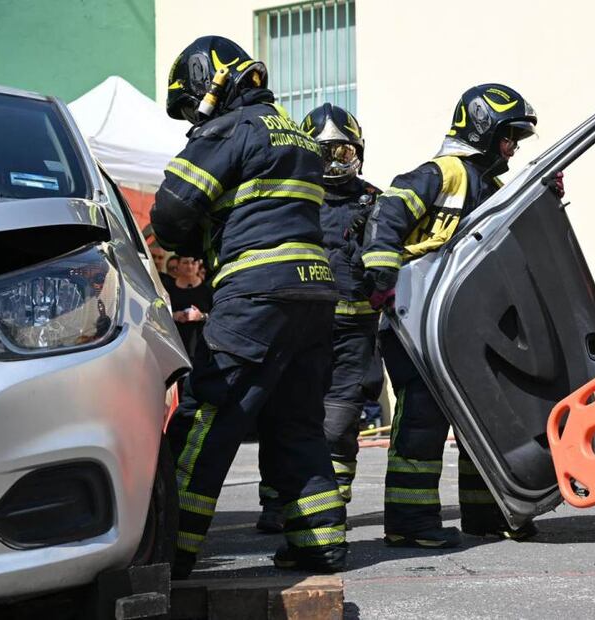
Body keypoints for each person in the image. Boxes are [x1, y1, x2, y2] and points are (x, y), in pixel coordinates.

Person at [151, 35, 346, 577]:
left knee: (205, 413)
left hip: (256, 294)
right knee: (297, 422)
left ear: (209, 84)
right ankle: (320, 544)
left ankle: (169, 550)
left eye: (190, 102)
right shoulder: (300, 136)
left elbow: (170, 211)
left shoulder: (230, 129)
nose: (192, 114)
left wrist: (190, 244)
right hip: (314, 295)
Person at [360, 84, 562, 548]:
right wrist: (382, 272)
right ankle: (410, 523)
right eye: (509, 136)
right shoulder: (443, 173)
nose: (512, 147)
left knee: (482, 417)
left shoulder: (489, 187)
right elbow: (389, 213)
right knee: (422, 420)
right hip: (415, 323)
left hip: (458, 326)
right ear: (485, 129)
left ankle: (486, 515)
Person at [254, 103, 382, 533]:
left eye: (342, 153)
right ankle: (276, 502)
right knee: (284, 414)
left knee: (340, 422)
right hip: (297, 325)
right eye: (323, 153)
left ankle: (332, 503)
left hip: (353, 330)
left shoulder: (375, 201)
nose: (332, 164)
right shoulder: (290, 199)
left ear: (358, 152)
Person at [165, 256, 212, 364]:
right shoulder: (169, 289)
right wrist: (174, 316)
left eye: (193, 263)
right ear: (178, 266)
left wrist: (200, 316)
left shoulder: (207, 289)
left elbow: (215, 314)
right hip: (177, 342)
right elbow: (160, 313)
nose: (190, 266)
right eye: (185, 263)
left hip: (201, 343)